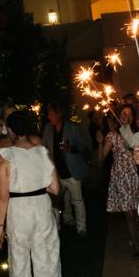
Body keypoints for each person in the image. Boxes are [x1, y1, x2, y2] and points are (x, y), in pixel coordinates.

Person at [0, 110, 64, 277]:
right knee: (47, 258)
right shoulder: (42, 153)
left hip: (19, 210)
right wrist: (36, 184)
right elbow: (55, 188)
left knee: (19, 259)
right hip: (42, 207)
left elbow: (2, 196)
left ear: (12, 131)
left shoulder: (5, 157)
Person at [99, 104, 139, 255]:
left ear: (132, 117)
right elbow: (101, 158)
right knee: (130, 214)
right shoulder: (112, 135)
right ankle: (136, 247)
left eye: (129, 114)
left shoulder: (136, 134)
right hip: (121, 177)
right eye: (123, 114)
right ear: (118, 116)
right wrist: (100, 142)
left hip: (135, 175)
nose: (126, 117)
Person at [42, 101, 90, 235]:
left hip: (71, 171)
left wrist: (71, 148)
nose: (49, 116)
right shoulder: (47, 129)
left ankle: (81, 227)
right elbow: (43, 147)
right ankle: (58, 226)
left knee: (77, 200)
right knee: (56, 201)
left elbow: (83, 146)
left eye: (51, 114)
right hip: (55, 173)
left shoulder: (72, 127)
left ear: (59, 114)